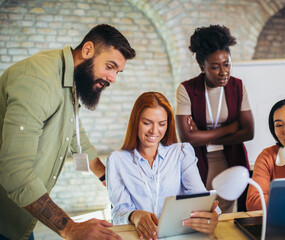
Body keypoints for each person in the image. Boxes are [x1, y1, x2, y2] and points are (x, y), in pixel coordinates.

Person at [0, 24, 136, 240]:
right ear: (88, 50)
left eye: (117, 72)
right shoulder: (40, 81)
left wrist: (104, 175)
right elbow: (14, 171)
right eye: (110, 66)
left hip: (23, 215)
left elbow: (74, 132)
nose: (113, 79)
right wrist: (70, 228)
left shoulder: (69, 77)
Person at [106, 92, 219, 240]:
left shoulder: (181, 153)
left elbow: (199, 196)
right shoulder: (117, 160)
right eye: (147, 123)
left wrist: (212, 215)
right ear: (135, 122)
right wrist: (135, 215)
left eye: (161, 124)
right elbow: (118, 212)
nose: (154, 131)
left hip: (179, 235)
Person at [175, 25, 254, 213]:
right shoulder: (187, 89)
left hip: (231, 158)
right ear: (202, 67)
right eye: (215, 67)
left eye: (226, 64)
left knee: (227, 211)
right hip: (198, 161)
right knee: (200, 209)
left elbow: (249, 132)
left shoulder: (237, 86)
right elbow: (187, 139)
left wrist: (203, 136)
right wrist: (230, 128)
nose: (223, 72)